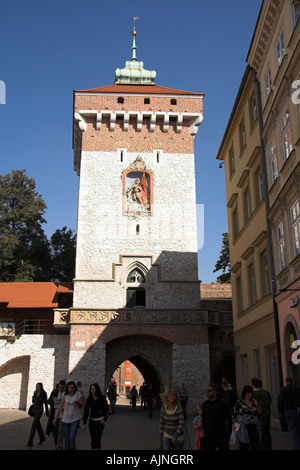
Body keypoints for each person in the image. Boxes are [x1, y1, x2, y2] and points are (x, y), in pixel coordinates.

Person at [53, 380, 84, 450]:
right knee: (67, 439)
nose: (71, 389)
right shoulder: (65, 395)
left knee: (72, 438)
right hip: (65, 420)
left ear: (74, 388)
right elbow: (60, 407)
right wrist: (55, 418)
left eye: (72, 388)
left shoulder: (78, 394)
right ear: (67, 388)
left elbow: (82, 405)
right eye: (69, 388)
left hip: (75, 419)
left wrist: (78, 403)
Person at [202, 383, 232, 450]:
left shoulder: (222, 404)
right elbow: (204, 419)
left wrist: (228, 435)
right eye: (207, 391)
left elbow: (228, 419)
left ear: (215, 392)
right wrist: (206, 434)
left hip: (221, 435)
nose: (207, 392)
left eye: (210, 391)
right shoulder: (206, 405)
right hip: (210, 435)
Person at [232, 385, 262, 450]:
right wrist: (234, 424)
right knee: (244, 445)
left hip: (253, 426)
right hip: (243, 426)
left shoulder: (254, 402)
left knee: (255, 445)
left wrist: (258, 405)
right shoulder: (239, 402)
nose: (250, 395)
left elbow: (260, 412)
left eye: (251, 393)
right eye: (248, 393)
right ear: (245, 393)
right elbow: (235, 414)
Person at [82, 383, 109, 450]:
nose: (92, 390)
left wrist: (104, 419)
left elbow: (107, 410)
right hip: (92, 421)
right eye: (91, 389)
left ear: (97, 389)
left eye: (94, 389)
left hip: (100, 421)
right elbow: (86, 411)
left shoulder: (102, 398)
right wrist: (84, 423)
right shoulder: (89, 399)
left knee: (97, 439)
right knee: (93, 439)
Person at [278, 377, 300, 450]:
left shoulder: (283, 390)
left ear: (286, 382)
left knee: (293, 429)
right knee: (297, 428)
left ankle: (297, 446)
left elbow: (280, 401)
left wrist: (280, 412)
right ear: (292, 381)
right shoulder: (296, 389)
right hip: (296, 409)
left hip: (287, 410)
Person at [251, 377, 272, 449]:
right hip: (265, 417)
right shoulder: (266, 393)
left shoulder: (251, 394)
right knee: (266, 434)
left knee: (257, 436)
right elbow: (269, 404)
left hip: (256, 418)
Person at [27, 382, 49, 447]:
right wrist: (33, 395)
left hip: (39, 410)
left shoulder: (43, 394)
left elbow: (45, 403)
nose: (37, 388)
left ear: (41, 387)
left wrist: (47, 412)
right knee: (37, 425)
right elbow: (33, 401)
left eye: (38, 387)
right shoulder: (35, 393)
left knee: (34, 424)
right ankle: (42, 438)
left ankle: (30, 441)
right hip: (35, 410)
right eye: (36, 387)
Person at [46, 380, 66, 449]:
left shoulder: (66, 394)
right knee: (55, 432)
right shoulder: (55, 392)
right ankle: (56, 444)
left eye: (62, 388)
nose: (60, 389)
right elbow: (49, 401)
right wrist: (53, 401)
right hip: (55, 415)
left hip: (63, 415)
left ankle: (59, 446)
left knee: (60, 431)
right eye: (60, 387)